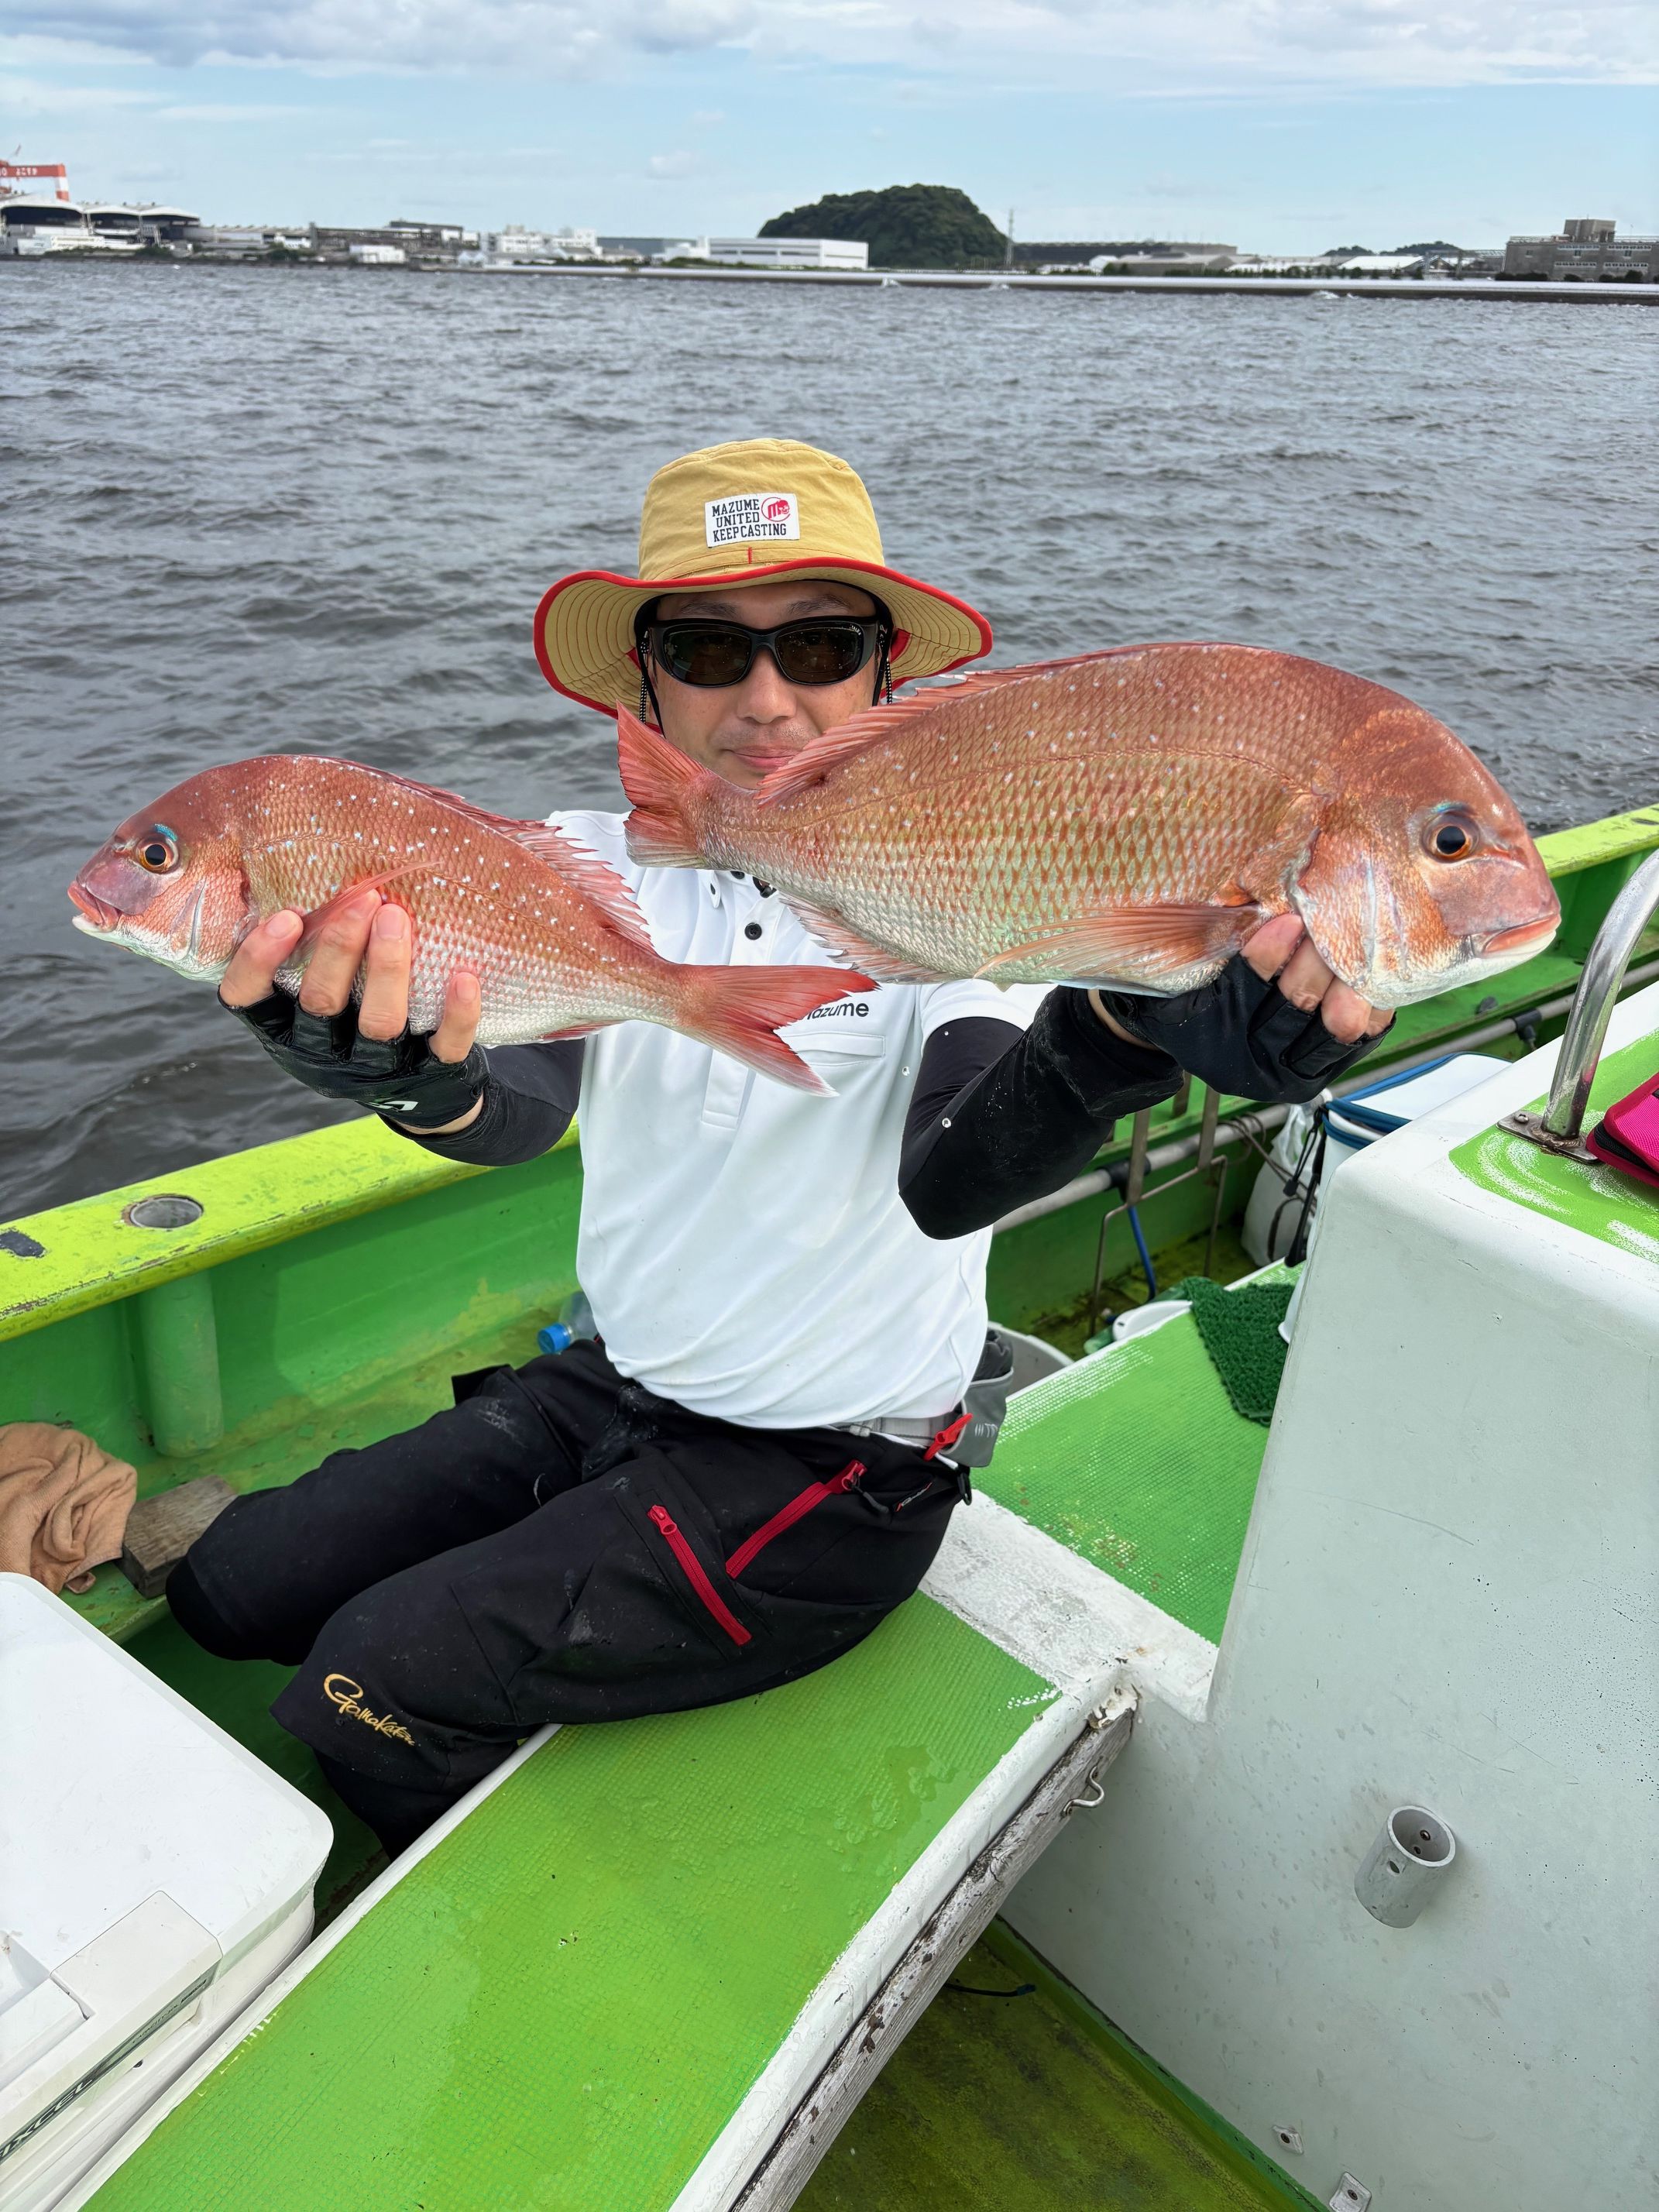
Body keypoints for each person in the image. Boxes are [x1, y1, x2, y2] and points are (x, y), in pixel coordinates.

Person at [168, 439, 1390, 1855]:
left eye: (817, 645)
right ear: (645, 683)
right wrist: (399, 1073)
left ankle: (572, 1928)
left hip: (831, 1476)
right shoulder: (589, 862)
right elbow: (519, 1110)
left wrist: (1117, 1035)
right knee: (229, 1589)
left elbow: (953, 1177)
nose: (764, 697)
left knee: (364, 1692)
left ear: (884, 677)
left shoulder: (976, 878)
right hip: (613, 1387)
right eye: (705, 648)